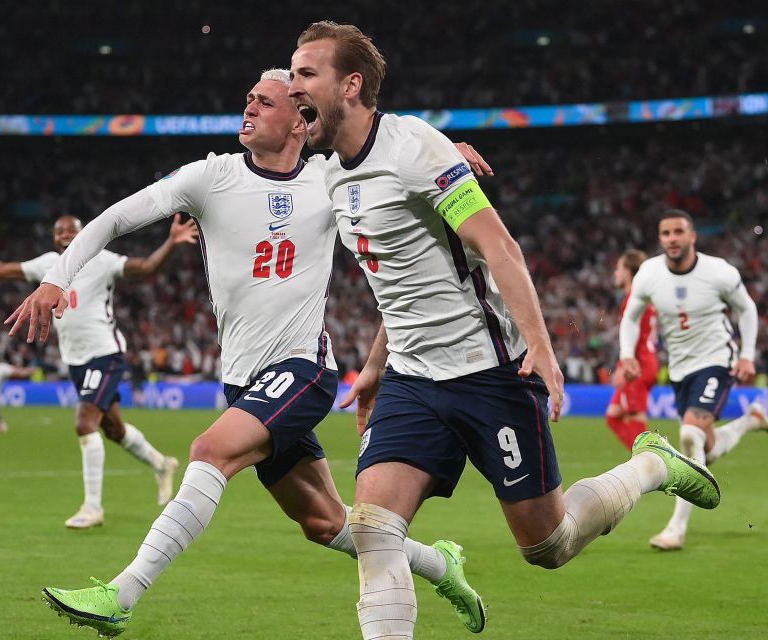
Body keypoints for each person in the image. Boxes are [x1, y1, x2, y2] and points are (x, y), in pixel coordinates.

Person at [6, 70, 488, 637]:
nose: (250, 108)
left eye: (265, 101)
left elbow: (391, 153)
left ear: (299, 120)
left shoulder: (333, 179)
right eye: (249, 99)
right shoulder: (209, 177)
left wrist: (439, 152)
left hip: (303, 371)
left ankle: (122, 593)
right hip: (243, 380)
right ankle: (440, 564)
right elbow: (113, 219)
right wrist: (56, 279)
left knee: (210, 450)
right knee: (325, 522)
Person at [287, 21, 722, 639]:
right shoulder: (331, 170)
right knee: (373, 528)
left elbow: (500, 248)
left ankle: (649, 466)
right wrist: (378, 365)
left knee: (548, 544)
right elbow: (405, 278)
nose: (292, 82)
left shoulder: (417, 153)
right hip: (413, 379)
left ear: (350, 84)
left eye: (306, 72)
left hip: (489, 373)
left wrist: (541, 348)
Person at [0, 214, 194, 527]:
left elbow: (146, 268)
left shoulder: (101, 259)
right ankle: (162, 464)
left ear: (84, 234)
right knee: (113, 429)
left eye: (72, 229)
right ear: (53, 238)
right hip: (76, 361)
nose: (65, 233)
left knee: (84, 423)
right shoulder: (48, 265)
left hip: (106, 354)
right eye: (59, 230)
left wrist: (171, 242)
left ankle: (92, 508)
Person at [620, 210, 768, 551]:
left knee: (689, 434)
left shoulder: (718, 271)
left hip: (717, 360)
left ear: (693, 236)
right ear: (660, 239)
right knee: (701, 447)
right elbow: (631, 316)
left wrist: (747, 355)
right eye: (665, 233)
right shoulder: (649, 273)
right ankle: (750, 421)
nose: (672, 238)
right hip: (679, 369)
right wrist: (626, 354)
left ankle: (676, 528)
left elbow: (747, 309)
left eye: (678, 232)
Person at [605, 249, 658, 449]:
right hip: (644, 361)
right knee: (613, 416)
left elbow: (633, 339)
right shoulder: (645, 299)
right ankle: (644, 459)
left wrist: (622, 366)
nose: (615, 273)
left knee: (636, 416)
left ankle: (650, 461)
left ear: (628, 271)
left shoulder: (633, 300)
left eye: (618, 268)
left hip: (637, 364)